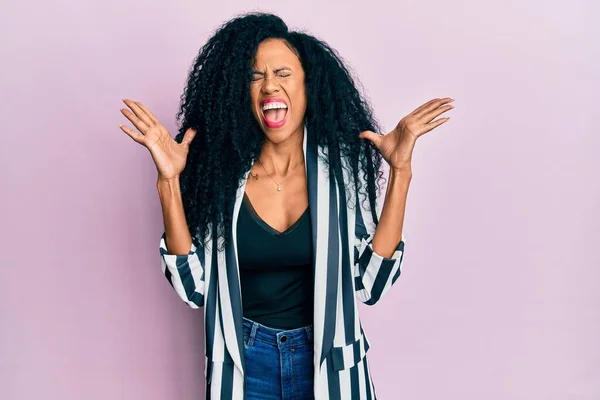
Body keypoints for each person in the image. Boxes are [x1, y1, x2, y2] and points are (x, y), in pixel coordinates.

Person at [119, 12, 452, 400]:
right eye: (254, 76)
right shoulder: (222, 177)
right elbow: (194, 289)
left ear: (309, 86)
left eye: (283, 73)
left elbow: (371, 282)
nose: (268, 86)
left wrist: (400, 172)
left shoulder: (340, 170)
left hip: (327, 360)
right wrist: (169, 182)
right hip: (245, 362)